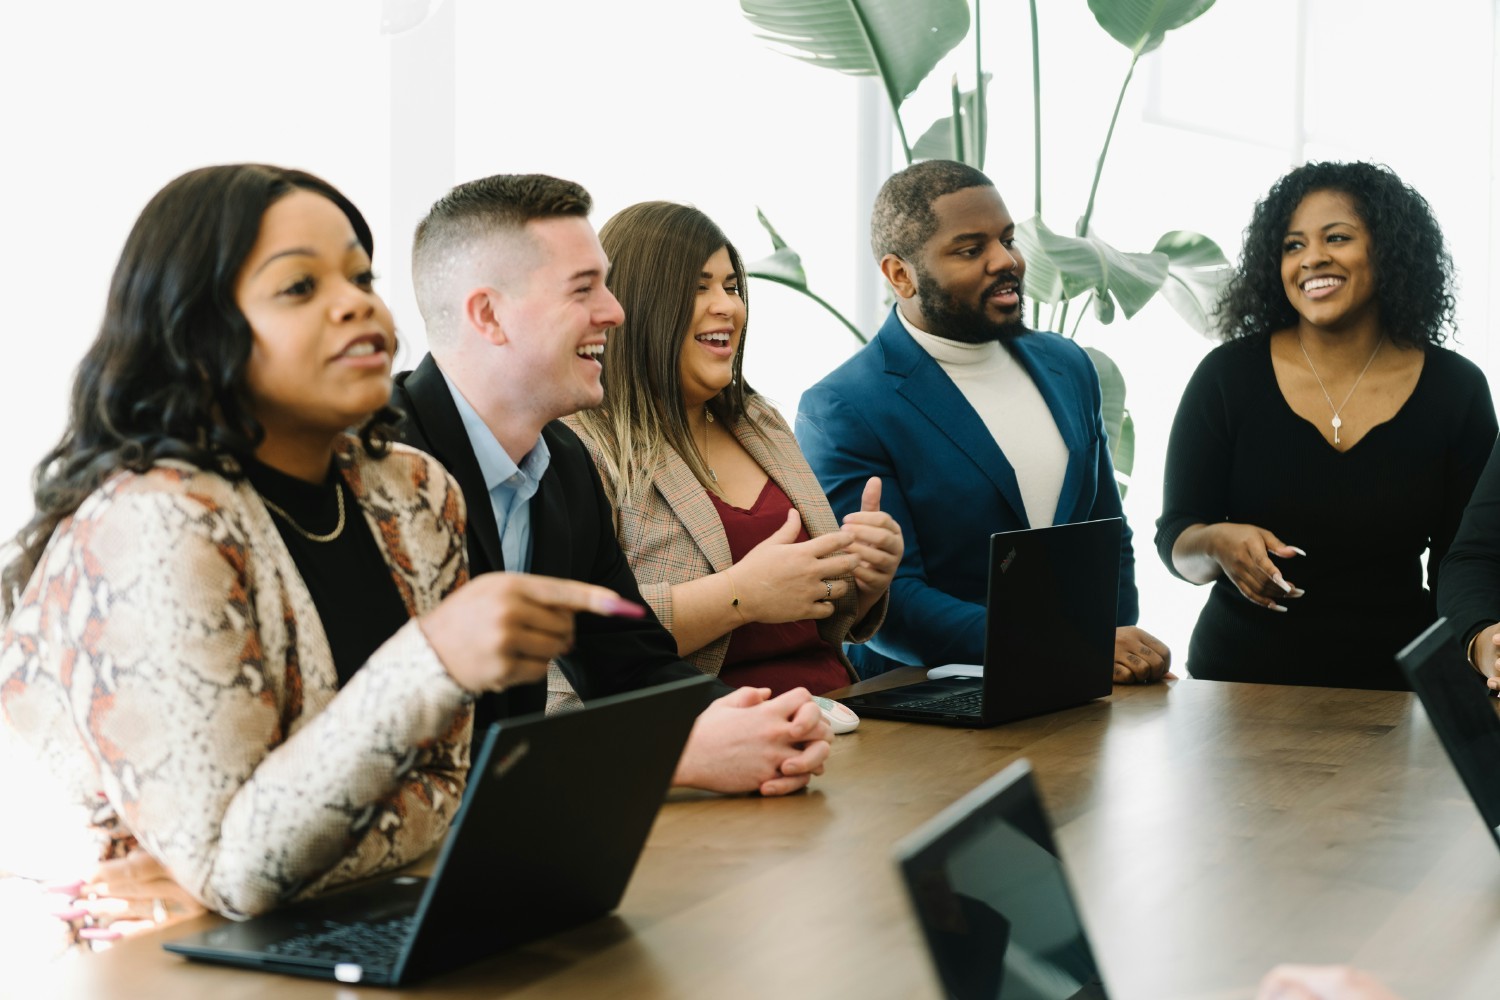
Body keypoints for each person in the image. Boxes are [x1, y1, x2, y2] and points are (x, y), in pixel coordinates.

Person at [0, 165, 635, 924]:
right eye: (300, 287)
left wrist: (278, 865)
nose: (354, 302)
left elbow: (449, 786)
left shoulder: (414, 491)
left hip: (358, 918)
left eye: (360, 275)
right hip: (152, 960)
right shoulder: (156, 522)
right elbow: (235, 874)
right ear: (200, 334)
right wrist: (432, 659)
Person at [393, 174, 833, 795]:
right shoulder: (379, 467)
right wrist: (665, 755)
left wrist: (751, 722)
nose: (616, 312)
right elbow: (408, 746)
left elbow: (629, 662)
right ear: (489, 315)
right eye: (583, 290)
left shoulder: (562, 464)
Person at [796, 159, 1170, 683]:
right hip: (929, 713)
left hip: (1079, 695)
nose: (1007, 260)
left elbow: (1107, 537)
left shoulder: (1068, 366)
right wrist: (1062, 644)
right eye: (971, 250)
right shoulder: (843, 407)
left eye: (1008, 239)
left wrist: (1111, 654)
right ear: (900, 274)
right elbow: (888, 602)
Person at [1157, 161, 1496, 689]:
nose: (1312, 258)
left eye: (1336, 238)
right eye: (1293, 245)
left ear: (1388, 251)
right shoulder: (1228, 377)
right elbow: (1177, 539)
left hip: (1400, 693)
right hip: (1237, 688)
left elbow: (1464, 560)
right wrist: (1217, 543)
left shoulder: (1457, 390)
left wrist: (1480, 642)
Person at [557, 201, 902, 707]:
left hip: (839, 709)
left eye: (731, 287)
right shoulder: (580, 444)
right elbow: (571, 635)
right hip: (705, 736)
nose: (728, 306)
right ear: (640, 303)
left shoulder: (758, 421)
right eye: (699, 288)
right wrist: (739, 596)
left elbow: (812, 611)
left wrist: (865, 577)